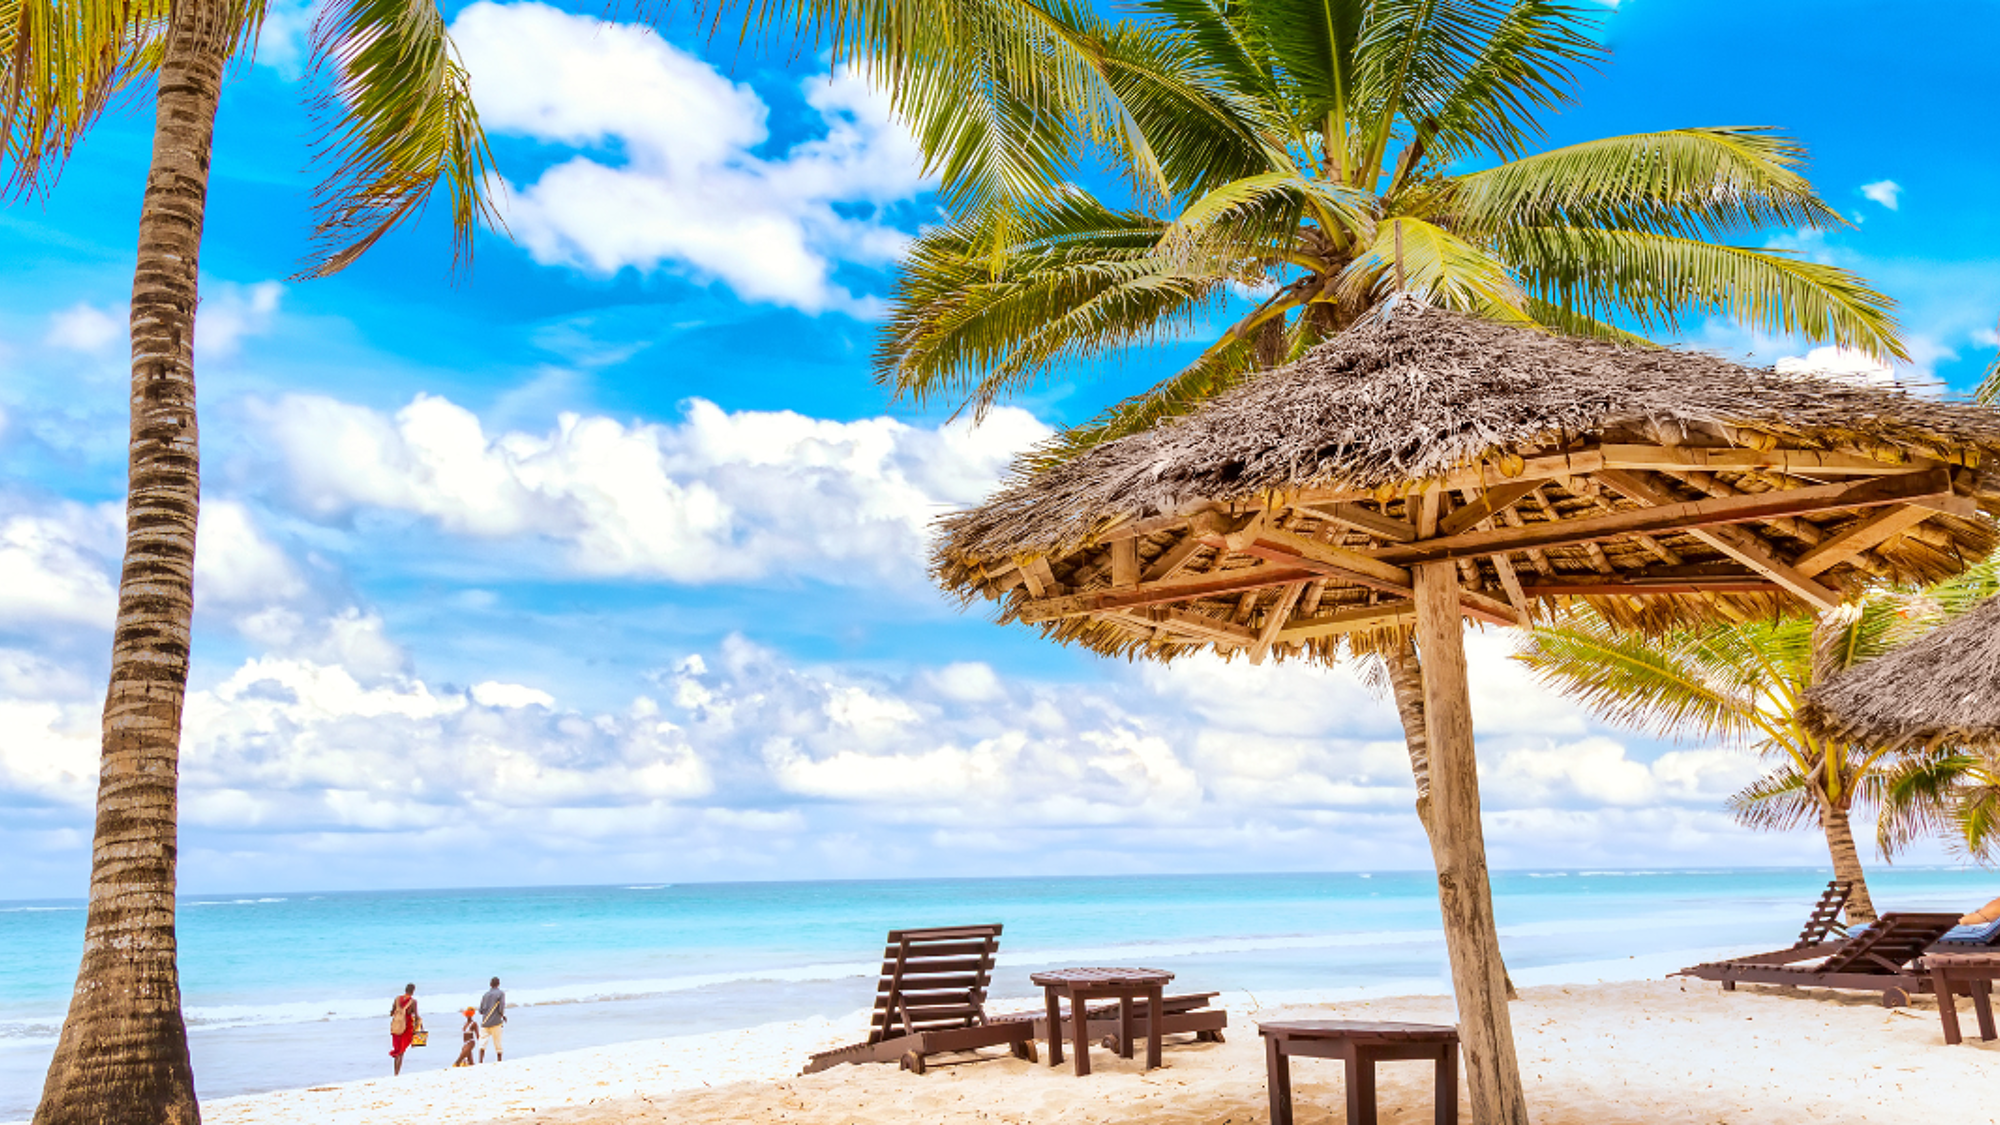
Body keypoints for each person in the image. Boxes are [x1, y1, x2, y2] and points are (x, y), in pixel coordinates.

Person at [389, 984, 420, 1075]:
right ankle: (397, 1073)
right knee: (401, 1051)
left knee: (397, 1049)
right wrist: (418, 1026)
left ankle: (395, 1072)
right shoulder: (413, 1002)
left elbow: (392, 1012)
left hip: (396, 1026)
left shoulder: (397, 999)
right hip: (406, 1028)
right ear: (413, 991)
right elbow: (416, 1016)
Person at [477, 976, 506, 1062]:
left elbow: (481, 1010)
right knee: (498, 1042)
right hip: (496, 1022)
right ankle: (499, 1060)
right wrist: (502, 1016)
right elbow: (501, 1008)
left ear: (490, 984)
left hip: (485, 1022)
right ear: (498, 984)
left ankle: (480, 1061)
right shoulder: (501, 994)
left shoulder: (485, 995)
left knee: (482, 1042)